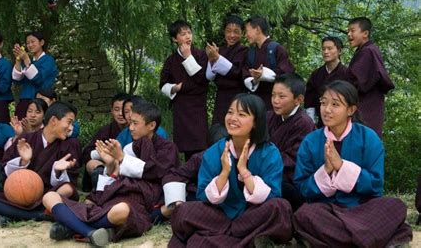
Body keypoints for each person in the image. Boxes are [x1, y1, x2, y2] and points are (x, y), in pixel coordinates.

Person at [293, 80, 412, 247]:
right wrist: (326, 170)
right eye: (323, 103)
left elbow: (376, 186)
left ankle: (339, 240)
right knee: (304, 214)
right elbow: (302, 188)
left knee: (395, 205)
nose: (326, 110)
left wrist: (342, 166)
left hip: (362, 210)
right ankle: (372, 239)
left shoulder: (368, 138)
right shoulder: (311, 141)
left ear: (351, 109)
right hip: (327, 210)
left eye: (335, 104)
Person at [42, 102, 180, 246]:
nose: (130, 128)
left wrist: (121, 158)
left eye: (135, 123)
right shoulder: (129, 148)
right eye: (130, 123)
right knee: (49, 197)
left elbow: (155, 172)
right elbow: (111, 180)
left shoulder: (167, 148)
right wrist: (109, 164)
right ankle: (88, 232)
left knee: (122, 210)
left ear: (151, 125)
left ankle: (70, 225)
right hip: (109, 199)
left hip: (136, 203)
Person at [170, 93, 292, 247]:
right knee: (183, 211)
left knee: (280, 207)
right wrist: (224, 173)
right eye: (230, 112)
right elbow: (202, 195)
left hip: (253, 216)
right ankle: (245, 238)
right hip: (220, 215)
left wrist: (244, 172)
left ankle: (220, 236)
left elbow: (273, 195)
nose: (233, 118)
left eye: (241, 114)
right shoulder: (215, 151)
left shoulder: (269, 153)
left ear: (256, 122)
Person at [0, 101, 81, 226]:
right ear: (54, 120)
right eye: (69, 122)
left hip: (48, 195)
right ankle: (39, 215)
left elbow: (70, 182)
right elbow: (4, 170)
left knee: (67, 189)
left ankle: (14, 215)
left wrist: (57, 171)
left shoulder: (71, 145)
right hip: (18, 193)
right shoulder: (26, 139)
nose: (71, 128)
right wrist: (23, 161)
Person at [158, 123, 228, 222]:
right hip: (200, 199)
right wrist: (177, 199)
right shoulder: (200, 158)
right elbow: (175, 175)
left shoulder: (241, 158)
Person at [159, 19, 209, 160]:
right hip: (181, 109)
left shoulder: (200, 55)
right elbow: (163, 85)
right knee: (187, 150)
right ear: (175, 39)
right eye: (182, 34)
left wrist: (188, 57)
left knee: (202, 148)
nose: (188, 36)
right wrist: (175, 88)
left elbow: (202, 80)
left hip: (198, 107)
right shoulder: (171, 60)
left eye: (189, 32)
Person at [267, 73, 315, 211]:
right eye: (273, 95)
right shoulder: (270, 117)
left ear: (298, 99)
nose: (275, 100)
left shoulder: (304, 123)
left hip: (290, 180)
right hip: (268, 170)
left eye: (281, 96)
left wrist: (262, 158)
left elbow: (293, 159)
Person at [346, 17, 394, 137]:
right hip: (369, 106)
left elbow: (357, 83)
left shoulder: (367, 52)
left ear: (365, 34)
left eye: (352, 31)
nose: (349, 34)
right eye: (348, 31)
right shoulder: (365, 50)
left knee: (363, 141)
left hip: (366, 107)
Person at [242, 16, 294, 109]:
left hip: (275, 103)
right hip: (255, 102)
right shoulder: (250, 52)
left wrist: (264, 74)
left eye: (247, 31)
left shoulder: (277, 49)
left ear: (257, 30)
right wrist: (255, 79)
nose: (246, 35)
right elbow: (246, 73)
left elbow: (287, 72)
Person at [81, 92, 130, 192]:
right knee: (91, 163)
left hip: (127, 166)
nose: (121, 114)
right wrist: (102, 153)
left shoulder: (138, 130)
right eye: (117, 109)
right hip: (106, 166)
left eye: (125, 110)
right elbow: (86, 153)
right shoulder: (105, 131)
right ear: (111, 111)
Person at [205, 15, 248, 125]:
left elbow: (236, 72)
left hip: (237, 95)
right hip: (220, 97)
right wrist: (211, 59)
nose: (232, 35)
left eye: (236, 32)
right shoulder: (220, 50)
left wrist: (217, 58)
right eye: (228, 31)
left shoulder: (244, 51)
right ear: (224, 32)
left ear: (242, 33)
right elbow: (210, 77)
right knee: (218, 130)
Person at [12, 31, 58, 120]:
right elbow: (16, 80)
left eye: (33, 42)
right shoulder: (29, 62)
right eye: (28, 43)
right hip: (24, 100)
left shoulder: (48, 60)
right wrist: (18, 60)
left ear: (41, 43)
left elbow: (38, 79)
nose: (30, 45)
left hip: (40, 101)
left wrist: (25, 59)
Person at [305, 36, 348, 127]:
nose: (325, 52)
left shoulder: (347, 74)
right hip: (321, 121)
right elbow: (309, 99)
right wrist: (311, 121)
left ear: (339, 51)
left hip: (341, 121)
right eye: (323, 49)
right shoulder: (316, 74)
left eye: (329, 48)